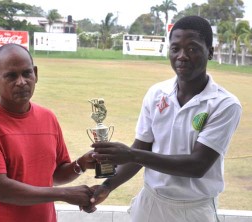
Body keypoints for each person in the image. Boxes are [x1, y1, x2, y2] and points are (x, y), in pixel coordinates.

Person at [89, 16, 242, 222]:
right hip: (150, 202)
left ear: (210, 52)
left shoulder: (224, 104)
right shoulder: (157, 93)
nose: (182, 56)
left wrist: (132, 154)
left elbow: (197, 166)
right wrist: (106, 186)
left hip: (193, 209)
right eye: (175, 48)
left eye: (192, 48)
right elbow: (142, 148)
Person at [0, 43, 96, 222]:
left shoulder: (47, 117)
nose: (21, 82)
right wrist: (64, 194)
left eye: (27, 73)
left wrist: (82, 163)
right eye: (11, 76)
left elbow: (55, 175)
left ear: (36, 74)